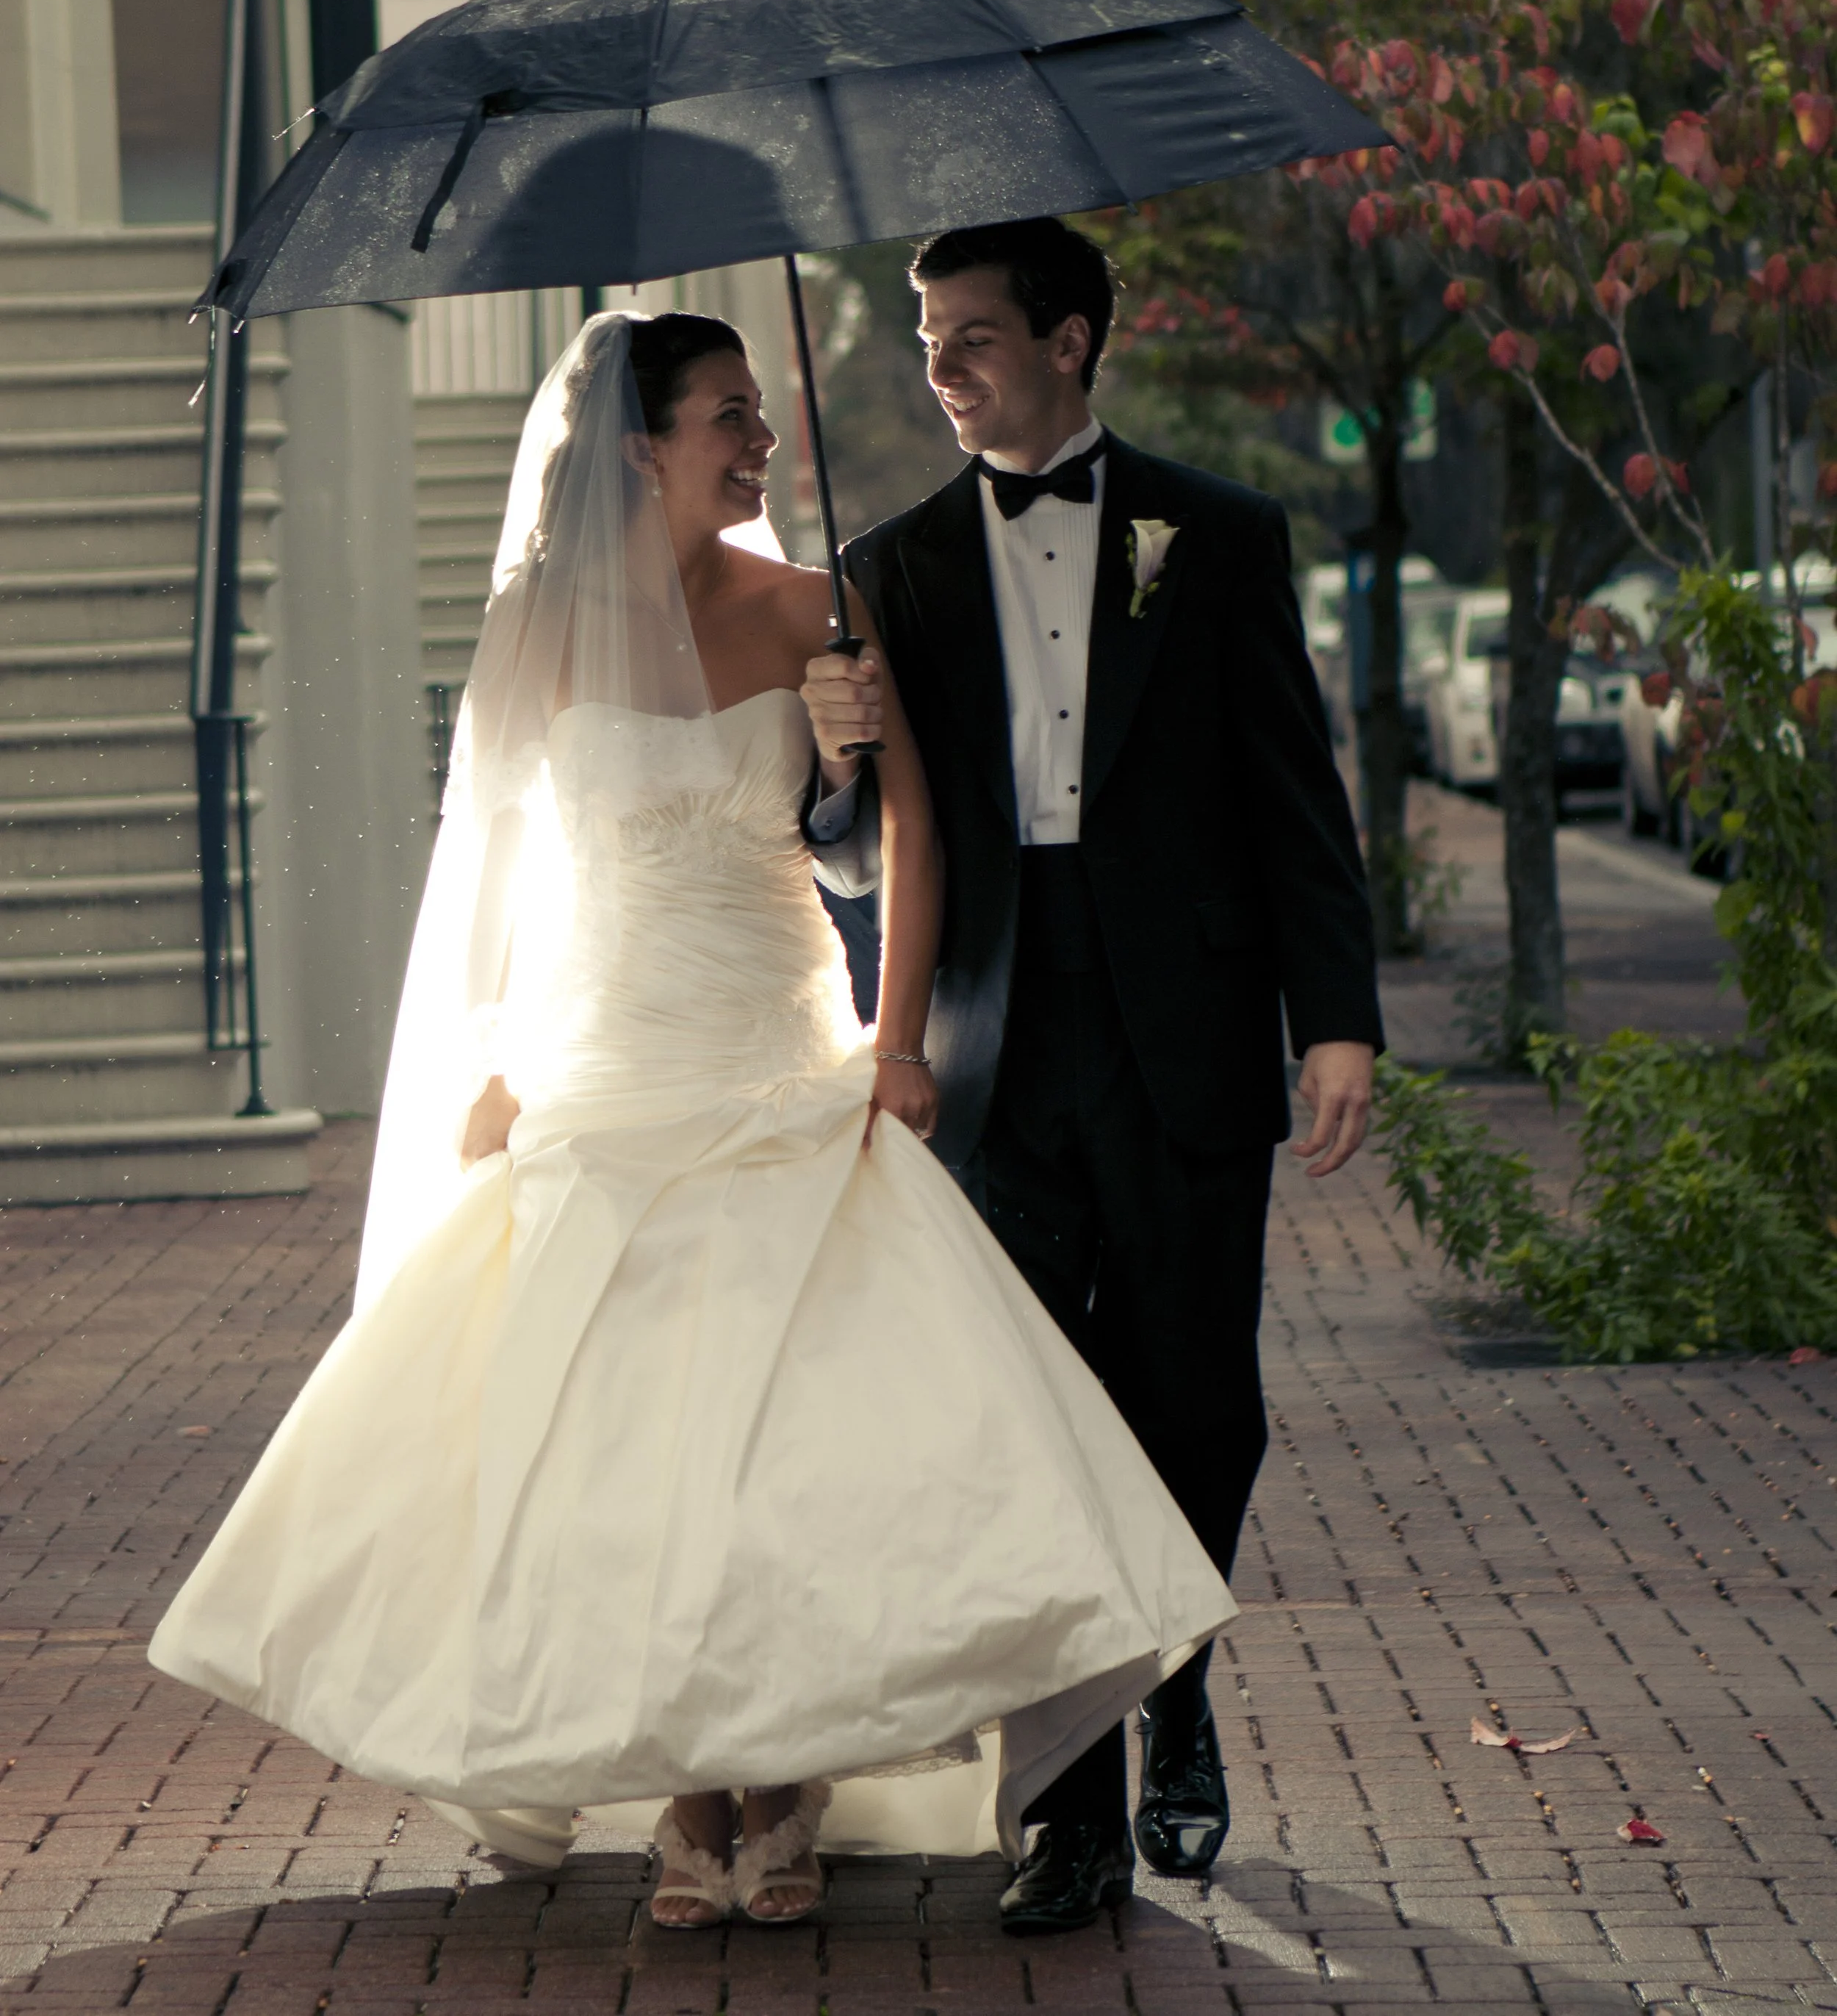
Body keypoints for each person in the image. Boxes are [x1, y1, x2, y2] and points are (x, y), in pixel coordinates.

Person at [149, 308, 1231, 1935]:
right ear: (636, 443)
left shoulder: (820, 608)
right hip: (606, 1067)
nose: (759, 443)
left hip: (778, 1055)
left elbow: (908, 843)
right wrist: (498, 1055)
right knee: (622, 1443)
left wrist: (890, 1032)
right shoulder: (530, 627)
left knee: (782, 1441)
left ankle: (779, 1784)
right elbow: (502, 861)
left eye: (758, 417)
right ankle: (687, 1786)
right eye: (729, 418)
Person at [805, 219, 1384, 1937]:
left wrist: (1332, 1017)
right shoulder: (888, 562)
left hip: (1185, 1037)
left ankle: (1172, 1677)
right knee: (1020, 1428)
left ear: (1069, 339)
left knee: (1200, 1402)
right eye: (925, 340)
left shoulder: (1212, 537)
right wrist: (832, 757)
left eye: (971, 336)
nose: (940, 367)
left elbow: (1294, 794)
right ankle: (1062, 1814)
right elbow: (845, 846)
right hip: (990, 1048)